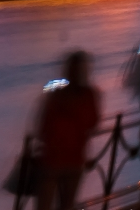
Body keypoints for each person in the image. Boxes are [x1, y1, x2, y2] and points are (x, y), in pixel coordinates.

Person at [37, 52, 101, 210]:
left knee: (44, 205)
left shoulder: (56, 96)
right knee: (67, 204)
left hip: (53, 158)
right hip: (75, 157)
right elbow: (93, 123)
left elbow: (43, 127)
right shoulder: (89, 95)